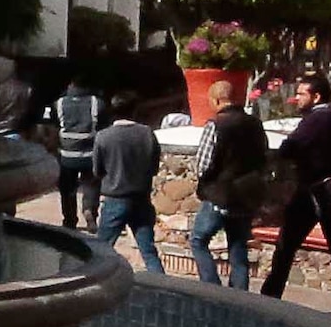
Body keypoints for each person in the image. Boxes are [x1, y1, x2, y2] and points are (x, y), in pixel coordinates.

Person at [255, 74, 331, 319]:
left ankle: (269, 299)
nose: (297, 98)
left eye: (302, 94)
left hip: (312, 192)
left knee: (285, 247)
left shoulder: (317, 120)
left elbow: (289, 149)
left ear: (316, 96)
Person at [181, 85, 272, 290]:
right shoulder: (255, 124)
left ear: (217, 100)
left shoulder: (216, 125)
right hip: (247, 194)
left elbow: (203, 165)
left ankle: (211, 287)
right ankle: (239, 295)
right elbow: (263, 156)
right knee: (238, 247)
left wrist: (206, 185)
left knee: (198, 240)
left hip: (220, 194)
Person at [81, 94, 163, 269]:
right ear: (135, 110)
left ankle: (95, 284)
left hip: (115, 198)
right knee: (148, 250)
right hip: (141, 198)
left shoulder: (104, 137)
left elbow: (97, 171)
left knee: (100, 250)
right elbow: (154, 167)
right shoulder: (147, 133)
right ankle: (164, 286)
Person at [48, 75, 100, 228]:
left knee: (67, 188)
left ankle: (69, 219)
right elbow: (103, 127)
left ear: (70, 86)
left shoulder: (58, 104)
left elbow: (53, 127)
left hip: (66, 155)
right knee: (91, 185)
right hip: (90, 154)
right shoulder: (97, 103)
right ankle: (89, 210)